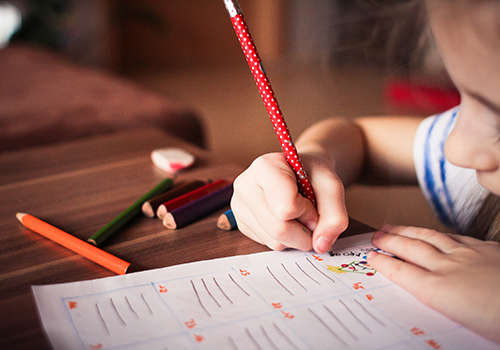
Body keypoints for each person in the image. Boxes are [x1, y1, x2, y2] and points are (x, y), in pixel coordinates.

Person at [230, 0, 500, 343]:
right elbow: (360, 139)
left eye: (497, 118)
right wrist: (316, 158)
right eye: (462, 98)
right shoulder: (475, 159)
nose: (453, 148)